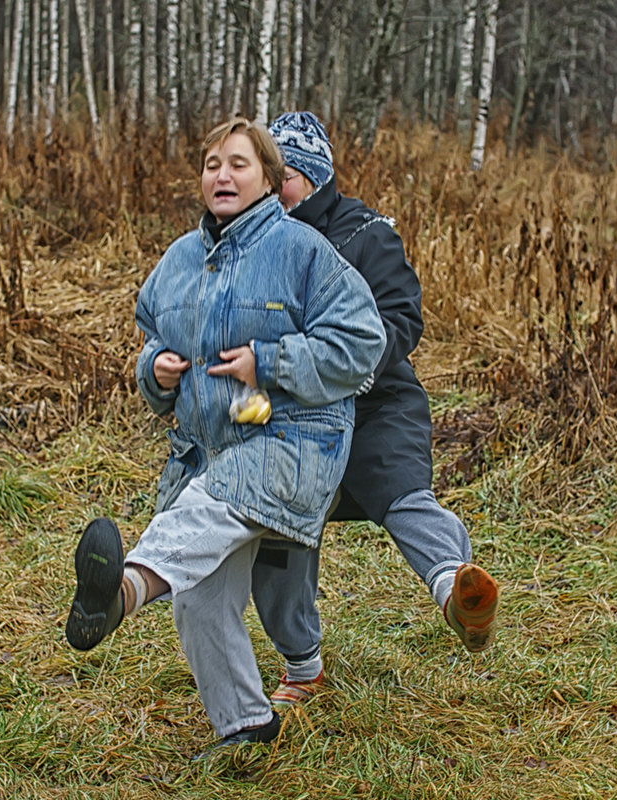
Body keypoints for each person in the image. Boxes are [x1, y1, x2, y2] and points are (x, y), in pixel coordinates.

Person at [64, 117, 385, 753]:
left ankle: (121, 593)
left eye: (239, 163)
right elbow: (153, 341)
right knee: (199, 595)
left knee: (203, 509)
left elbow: (363, 344)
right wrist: (153, 371)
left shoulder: (303, 252)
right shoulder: (180, 260)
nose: (222, 175)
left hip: (294, 439)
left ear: (269, 178)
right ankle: (246, 726)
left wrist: (269, 362)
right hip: (213, 449)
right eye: (212, 164)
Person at [251, 112, 500, 707]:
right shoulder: (251, 240)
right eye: (262, 176)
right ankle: (302, 668)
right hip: (290, 419)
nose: (268, 189)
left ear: (309, 177)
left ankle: (457, 593)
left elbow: (400, 320)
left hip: (376, 406)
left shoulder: (366, 234)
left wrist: (339, 366)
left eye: (278, 176)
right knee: (281, 534)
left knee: (403, 498)